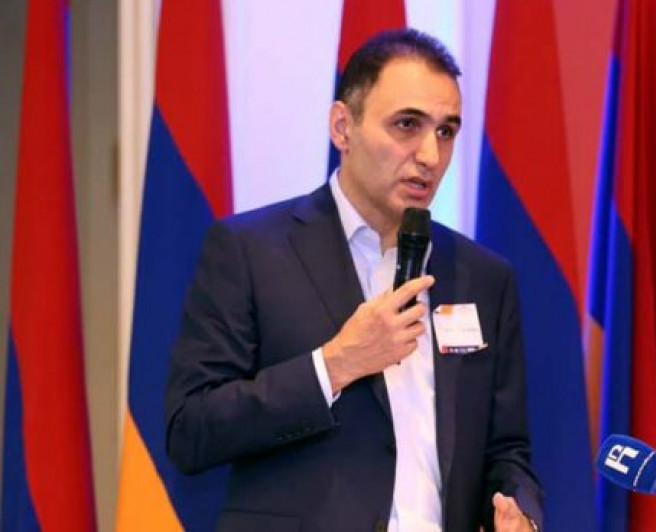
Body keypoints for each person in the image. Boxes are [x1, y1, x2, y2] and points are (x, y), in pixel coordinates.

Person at [166, 28, 543, 532]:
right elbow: (191, 430)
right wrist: (334, 365)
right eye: (407, 125)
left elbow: (507, 450)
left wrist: (520, 513)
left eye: (446, 132)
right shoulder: (250, 251)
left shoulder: (483, 276)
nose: (430, 156)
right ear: (343, 128)